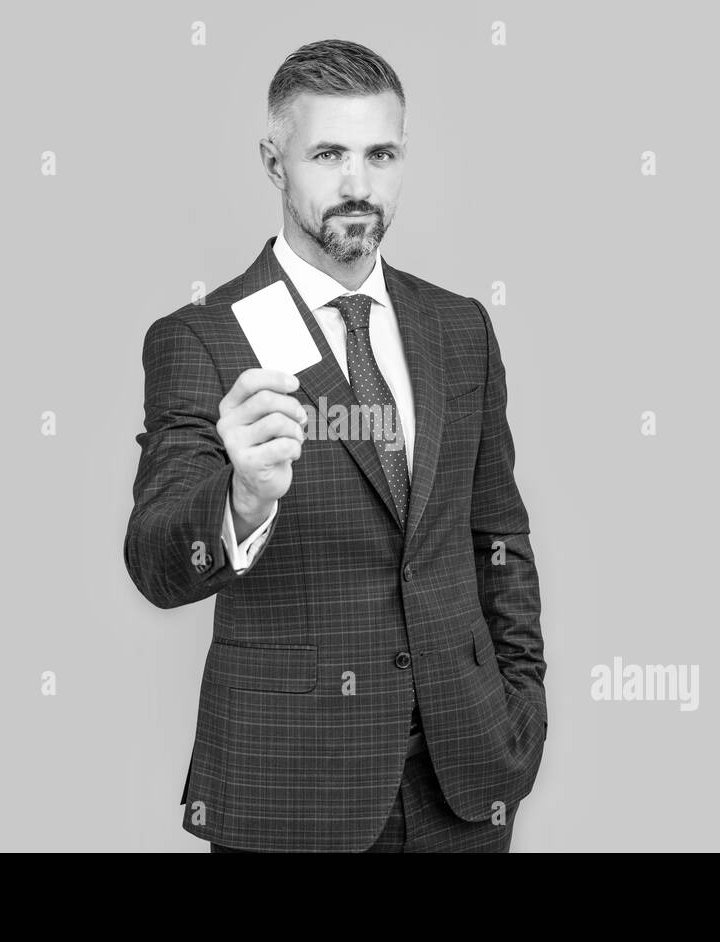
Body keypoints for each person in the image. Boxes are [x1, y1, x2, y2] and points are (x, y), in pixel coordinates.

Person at [124, 38, 546, 852]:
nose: (358, 185)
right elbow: (154, 562)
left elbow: (498, 535)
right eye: (328, 154)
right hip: (292, 790)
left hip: (464, 781)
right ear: (275, 161)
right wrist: (240, 500)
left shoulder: (460, 329)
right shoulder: (203, 339)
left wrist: (520, 706)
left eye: (380, 154)